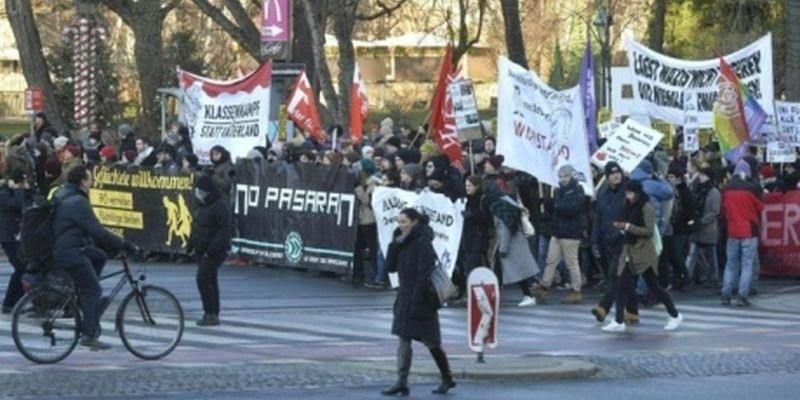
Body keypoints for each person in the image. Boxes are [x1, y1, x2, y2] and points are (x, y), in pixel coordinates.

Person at [52, 166, 138, 349]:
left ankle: (85, 301)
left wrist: (111, 249)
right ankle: (89, 335)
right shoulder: (78, 202)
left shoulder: (63, 194)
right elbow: (98, 232)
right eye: (90, 179)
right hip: (70, 251)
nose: (93, 182)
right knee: (94, 290)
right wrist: (124, 244)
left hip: (62, 247)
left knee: (99, 256)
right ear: (82, 182)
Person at [382, 208, 455, 396]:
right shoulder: (401, 241)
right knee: (403, 339)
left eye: (404, 222)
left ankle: (447, 377)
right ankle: (401, 381)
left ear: (414, 222)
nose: (400, 225)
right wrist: (394, 242)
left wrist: (416, 300)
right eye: (398, 222)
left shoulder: (423, 242)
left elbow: (424, 273)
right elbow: (390, 267)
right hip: (405, 296)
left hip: (421, 300)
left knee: (431, 342)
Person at [602, 180, 683, 333]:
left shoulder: (647, 207)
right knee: (621, 284)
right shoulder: (628, 206)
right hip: (629, 250)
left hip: (644, 252)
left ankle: (674, 314)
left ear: (637, 193)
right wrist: (621, 228)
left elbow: (649, 231)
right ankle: (619, 320)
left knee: (654, 285)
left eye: (630, 193)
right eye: (627, 193)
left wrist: (627, 227)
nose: (628, 196)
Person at [591, 162, 638, 324]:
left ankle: (603, 307)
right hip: (607, 241)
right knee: (623, 278)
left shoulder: (628, 192)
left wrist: (624, 230)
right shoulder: (603, 195)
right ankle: (632, 311)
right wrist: (594, 241)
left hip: (625, 241)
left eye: (618, 172)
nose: (616, 175)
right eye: (611, 173)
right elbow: (598, 220)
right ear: (607, 176)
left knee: (614, 275)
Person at [534, 165, 586, 304]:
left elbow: (574, 209)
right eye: (561, 176)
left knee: (571, 263)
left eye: (565, 176)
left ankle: (576, 291)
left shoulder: (578, 190)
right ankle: (544, 286)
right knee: (551, 260)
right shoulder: (558, 191)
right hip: (558, 232)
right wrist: (549, 205)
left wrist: (556, 205)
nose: (562, 179)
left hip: (570, 233)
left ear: (571, 176)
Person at [485, 182, 540, 307]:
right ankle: (495, 296)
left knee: (517, 272)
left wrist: (503, 247)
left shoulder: (498, 207)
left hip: (510, 244)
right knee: (505, 271)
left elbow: (504, 229)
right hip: (516, 242)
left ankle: (528, 296)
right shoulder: (506, 201)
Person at [190, 175, 232, 326]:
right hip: (202, 249)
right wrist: (191, 245)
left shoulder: (219, 206)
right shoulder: (202, 205)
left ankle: (210, 313)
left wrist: (212, 250)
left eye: (200, 191)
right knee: (210, 281)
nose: (197, 193)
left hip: (212, 251)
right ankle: (213, 312)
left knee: (203, 279)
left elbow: (223, 231)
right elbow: (196, 226)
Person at [721, 161, 763, 307]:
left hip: (732, 230)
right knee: (747, 263)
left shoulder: (726, 189)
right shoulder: (752, 189)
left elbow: (723, 210)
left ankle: (726, 293)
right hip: (749, 230)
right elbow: (760, 207)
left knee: (731, 263)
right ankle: (742, 295)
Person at [455, 176, 490, 298]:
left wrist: (473, 215)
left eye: (470, 186)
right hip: (467, 238)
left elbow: (486, 218)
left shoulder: (482, 199)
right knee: (469, 267)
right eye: (466, 186)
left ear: (477, 186)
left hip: (477, 238)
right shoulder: (465, 200)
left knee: (472, 267)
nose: (467, 188)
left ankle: (474, 294)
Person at [686, 166, 721, 287]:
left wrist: (701, 221)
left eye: (703, 175)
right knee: (693, 253)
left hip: (708, 228)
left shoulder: (714, 192)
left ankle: (713, 277)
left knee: (711, 254)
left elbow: (714, 212)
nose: (700, 177)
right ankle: (688, 276)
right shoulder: (696, 189)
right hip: (698, 227)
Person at [0, 170, 29, 314]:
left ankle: (15, 301)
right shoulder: (4, 194)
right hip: (8, 236)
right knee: (20, 267)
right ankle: (10, 302)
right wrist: (19, 189)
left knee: (22, 267)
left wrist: (25, 189)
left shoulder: (14, 192)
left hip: (15, 235)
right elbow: (17, 205)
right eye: (20, 183)